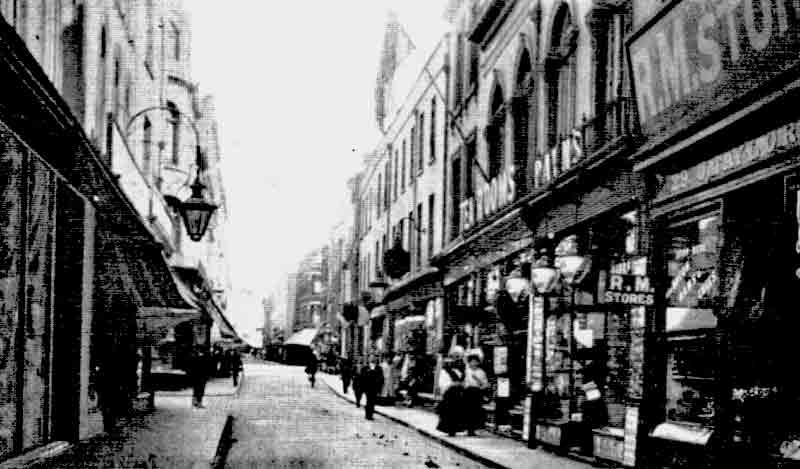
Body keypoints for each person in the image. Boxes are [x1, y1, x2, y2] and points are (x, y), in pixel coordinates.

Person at [436, 358, 465, 436]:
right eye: (448, 363)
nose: (450, 364)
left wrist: (461, 384)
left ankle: (455, 429)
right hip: (449, 395)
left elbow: (462, 381)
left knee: (457, 413)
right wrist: (452, 384)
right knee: (449, 413)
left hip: (458, 394)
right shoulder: (443, 372)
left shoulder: (457, 371)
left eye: (451, 362)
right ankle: (449, 430)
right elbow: (442, 384)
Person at [463, 352, 489, 436]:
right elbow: (463, 382)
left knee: (476, 411)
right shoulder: (466, 371)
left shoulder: (481, 372)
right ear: (469, 362)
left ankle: (473, 429)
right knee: (468, 411)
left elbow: (485, 384)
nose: (473, 363)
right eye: (472, 361)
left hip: (477, 392)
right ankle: (468, 429)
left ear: (478, 362)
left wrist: (480, 385)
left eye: (475, 361)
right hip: (468, 392)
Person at [362, 355, 384, 420]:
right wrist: (363, 388)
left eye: (374, 358)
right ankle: (367, 414)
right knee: (368, 400)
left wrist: (379, 387)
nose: (372, 359)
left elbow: (381, 378)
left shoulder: (379, 368)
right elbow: (362, 378)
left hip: (375, 387)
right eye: (371, 358)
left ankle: (370, 414)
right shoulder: (365, 368)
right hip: (367, 387)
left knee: (373, 401)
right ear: (369, 359)